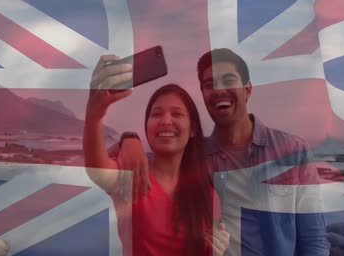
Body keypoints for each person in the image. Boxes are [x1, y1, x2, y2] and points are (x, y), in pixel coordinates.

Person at [115, 49, 331, 255]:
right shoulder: (195, 158)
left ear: (248, 89)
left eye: (228, 81)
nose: (219, 90)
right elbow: (153, 162)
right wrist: (128, 139)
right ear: (203, 94)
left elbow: (314, 238)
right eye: (209, 84)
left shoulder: (292, 151)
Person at [83, 55, 230, 256]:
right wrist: (94, 115)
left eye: (177, 114)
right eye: (157, 114)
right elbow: (97, 171)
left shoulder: (208, 196)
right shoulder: (134, 176)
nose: (166, 121)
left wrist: (218, 251)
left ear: (193, 129)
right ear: (147, 126)